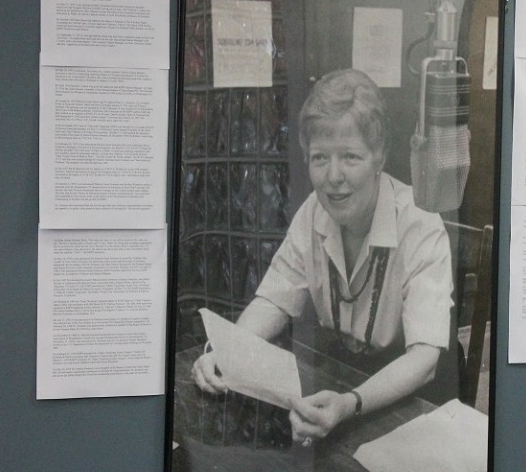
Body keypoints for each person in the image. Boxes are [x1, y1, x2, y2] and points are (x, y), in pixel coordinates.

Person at [192, 69, 456, 446]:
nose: (333, 176)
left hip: (411, 397)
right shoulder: (313, 211)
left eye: (350, 157)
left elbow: (424, 360)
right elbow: (274, 299)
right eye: (320, 158)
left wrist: (348, 406)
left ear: (378, 156)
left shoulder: (420, 223)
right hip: (341, 385)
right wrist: (228, 353)